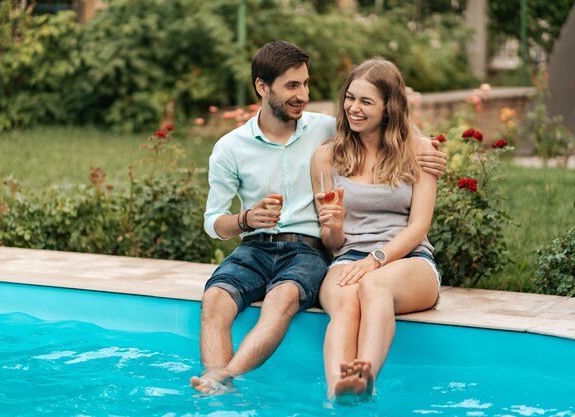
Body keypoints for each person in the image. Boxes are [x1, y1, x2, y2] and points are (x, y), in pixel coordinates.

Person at [190, 41, 446, 394]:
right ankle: (328, 387)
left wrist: (430, 151)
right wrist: (250, 218)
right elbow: (215, 220)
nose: (303, 95)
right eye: (292, 86)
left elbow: (417, 219)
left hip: (353, 255)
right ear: (263, 88)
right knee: (218, 300)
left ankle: (363, 376)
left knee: (356, 289)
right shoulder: (251, 149)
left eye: (306, 84)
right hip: (290, 250)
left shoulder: (335, 131)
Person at [310, 57, 441, 402]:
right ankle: (338, 387)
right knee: (345, 304)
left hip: (409, 261)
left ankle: (365, 373)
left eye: (366, 101)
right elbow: (332, 242)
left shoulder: (420, 152)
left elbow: (419, 227)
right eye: (350, 98)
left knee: (373, 285)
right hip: (349, 259)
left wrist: (376, 259)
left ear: (389, 107)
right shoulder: (327, 157)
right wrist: (333, 227)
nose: (354, 108)